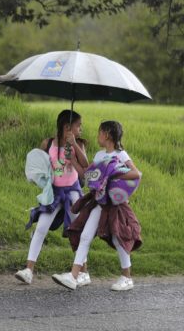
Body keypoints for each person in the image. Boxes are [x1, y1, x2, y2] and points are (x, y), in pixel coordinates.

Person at [52, 120, 142, 291]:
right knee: (85, 235)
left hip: (115, 205)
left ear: (107, 134)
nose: (97, 136)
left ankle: (127, 277)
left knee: (118, 237)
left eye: (99, 132)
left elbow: (135, 173)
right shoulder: (100, 156)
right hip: (99, 203)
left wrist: (113, 177)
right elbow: (88, 176)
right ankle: (74, 276)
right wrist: (73, 160)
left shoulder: (121, 155)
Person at [15, 110, 90, 286]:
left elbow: (86, 164)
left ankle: (84, 273)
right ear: (67, 127)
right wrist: (39, 177)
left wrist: (74, 148)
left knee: (76, 231)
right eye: (78, 126)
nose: (81, 129)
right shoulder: (48, 143)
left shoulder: (78, 143)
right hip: (54, 194)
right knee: (41, 227)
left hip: (72, 193)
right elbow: (38, 162)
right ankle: (28, 270)